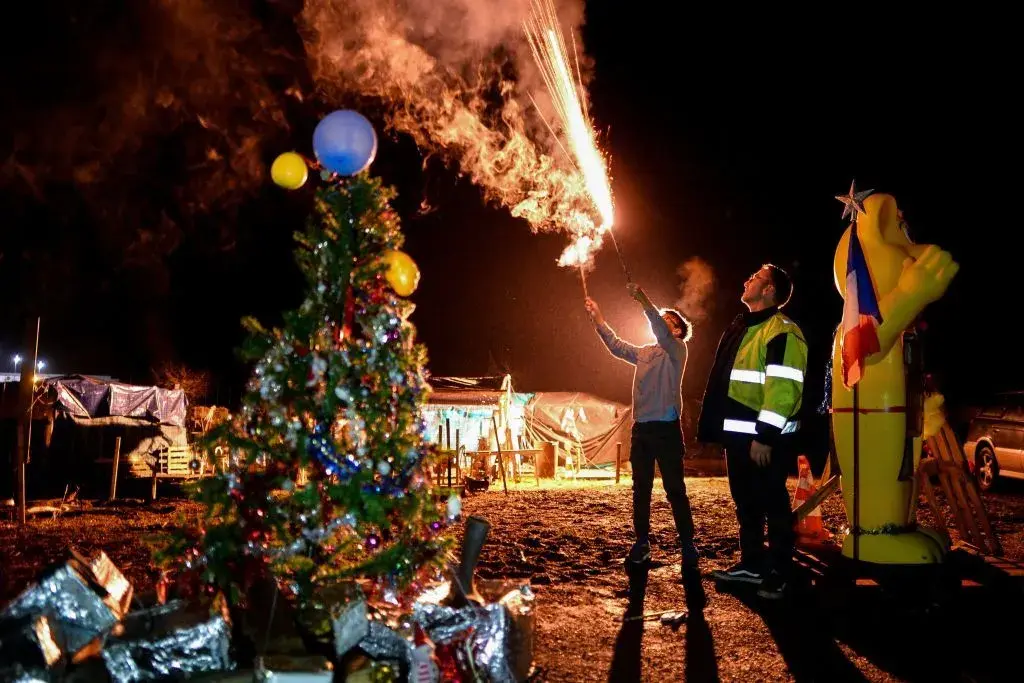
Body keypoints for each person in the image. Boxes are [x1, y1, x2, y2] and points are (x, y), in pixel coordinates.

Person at [697, 264, 807, 600]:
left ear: (770, 290)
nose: (747, 279)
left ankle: (781, 573)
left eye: (755, 277)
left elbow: (784, 389)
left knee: (772, 504)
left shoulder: (782, 330)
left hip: (763, 441)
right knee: (746, 505)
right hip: (739, 438)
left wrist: (766, 436)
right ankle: (752, 565)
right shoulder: (741, 326)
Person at [585, 282, 700, 586]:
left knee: (675, 490)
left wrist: (642, 299)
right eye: (660, 318)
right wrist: (598, 317)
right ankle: (642, 543)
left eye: (668, 320)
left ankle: (688, 545)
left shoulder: (677, 350)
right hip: (642, 431)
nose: (661, 323)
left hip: (667, 430)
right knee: (641, 490)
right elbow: (616, 345)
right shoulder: (646, 352)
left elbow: (659, 329)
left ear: (677, 331)